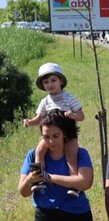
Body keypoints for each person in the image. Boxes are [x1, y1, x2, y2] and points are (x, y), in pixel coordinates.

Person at [23, 63, 85, 196]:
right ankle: (39, 180)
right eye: (46, 82)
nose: (50, 84)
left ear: (61, 81)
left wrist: (72, 115)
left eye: (53, 80)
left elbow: (81, 116)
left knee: (71, 156)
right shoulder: (45, 101)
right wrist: (30, 122)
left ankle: (74, 185)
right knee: (39, 151)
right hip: (49, 135)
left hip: (69, 134)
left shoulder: (69, 98)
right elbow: (39, 118)